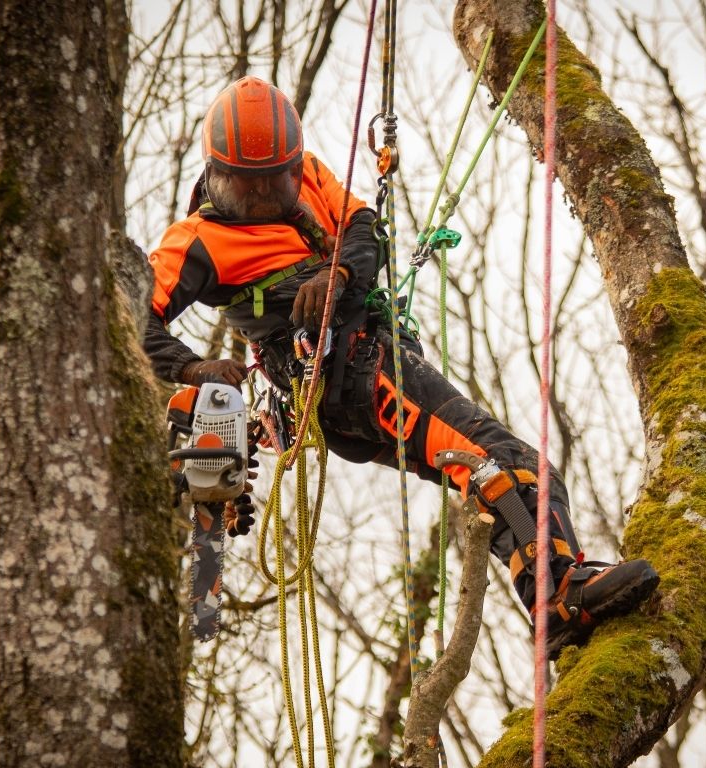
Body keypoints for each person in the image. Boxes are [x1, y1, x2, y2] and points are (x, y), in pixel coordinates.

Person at [144, 76, 659, 658]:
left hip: (368, 356)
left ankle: (555, 597)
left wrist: (335, 276)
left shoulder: (311, 176)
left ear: (292, 167)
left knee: (491, 468)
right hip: (345, 382)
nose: (264, 201)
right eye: (247, 189)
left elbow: (367, 232)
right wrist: (196, 368)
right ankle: (560, 594)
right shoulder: (195, 241)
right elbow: (137, 320)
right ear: (216, 175)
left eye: (274, 185)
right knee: (502, 462)